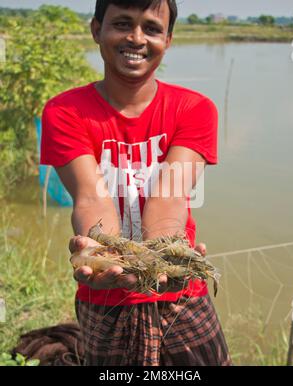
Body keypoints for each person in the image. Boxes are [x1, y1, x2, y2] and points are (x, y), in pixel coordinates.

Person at [41, 0, 232, 366]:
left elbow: (171, 196)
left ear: (169, 39)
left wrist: (164, 255)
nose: (136, 37)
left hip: (181, 295)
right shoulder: (64, 111)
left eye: (152, 27)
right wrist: (103, 257)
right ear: (96, 29)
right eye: (122, 23)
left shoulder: (194, 108)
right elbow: (91, 198)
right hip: (105, 300)